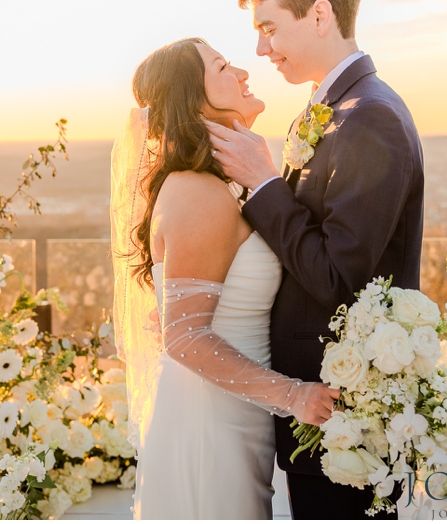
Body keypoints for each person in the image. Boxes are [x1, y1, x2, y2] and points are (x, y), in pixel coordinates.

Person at [207, 0, 425, 520]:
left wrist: (262, 184)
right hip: (322, 402)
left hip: (344, 407)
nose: (261, 47)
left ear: (321, 14)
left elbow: (336, 276)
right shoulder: (332, 110)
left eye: (271, 27)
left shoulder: (369, 118)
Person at [110, 37, 339, 520]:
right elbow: (184, 336)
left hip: (235, 410)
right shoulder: (198, 191)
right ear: (194, 100)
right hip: (209, 423)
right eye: (222, 67)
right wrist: (294, 395)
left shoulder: (222, 186)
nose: (242, 72)